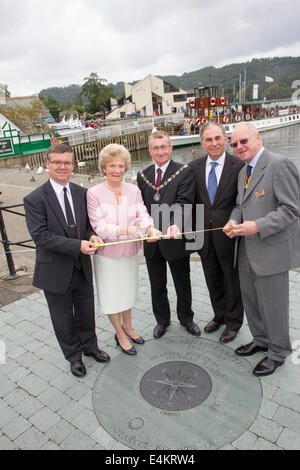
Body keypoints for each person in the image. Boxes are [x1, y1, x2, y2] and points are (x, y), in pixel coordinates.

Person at [23, 143, 110, 378]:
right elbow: (41, 237)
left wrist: (92, 236)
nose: (63, 167)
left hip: (81, 267)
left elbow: (88, 226)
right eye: (58, 162)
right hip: (54, 270)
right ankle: (73, 357)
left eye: (68, 163)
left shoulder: (82, 193)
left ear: (73, 165)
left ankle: (91, 348)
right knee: (62, 318)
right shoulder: (34, 199)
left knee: (86, 312)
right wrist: (78, 246)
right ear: (48, 164)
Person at [224, 123, 300, 376]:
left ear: (258, 137)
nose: (239, 147)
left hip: (270, 248)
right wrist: (233, 221)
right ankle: (260, 340)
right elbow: (239, 204)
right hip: (245, 248)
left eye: (243, 141)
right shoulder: (242, 172)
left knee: (273, 304)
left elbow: (291, 210)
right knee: (252, 301)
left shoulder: (280, 165)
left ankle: (278, 351)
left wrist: (257, 225)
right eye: (234, 144)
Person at [87, 144, 161, 355]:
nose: (117, 170)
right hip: (107, 256)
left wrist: (150, 227)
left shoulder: (134, 189)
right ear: (103, 167)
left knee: (127, 292)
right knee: (112, 295)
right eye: (112, 166)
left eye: (121, 166)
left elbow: (143, 214)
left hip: (129, 251)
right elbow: (100, 228)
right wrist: (129, 229)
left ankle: (128, 326)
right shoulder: (94, 193)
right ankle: (119, 333)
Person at [137, 131, 201, 339]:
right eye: (155, 148)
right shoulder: (143, 175)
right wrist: (146, 229)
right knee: (157, 284)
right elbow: (141, 208)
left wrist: (176, 224)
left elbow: (184, 202)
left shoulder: (184, 171)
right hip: (152, 240)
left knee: (182, 282)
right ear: (150, 150)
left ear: (171, 148)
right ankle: (162, 320)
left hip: (176, 237)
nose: (160, 151)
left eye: (164, 147)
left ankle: (186, 318)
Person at [189, 122, 244, 342]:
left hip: (229, 234)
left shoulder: (238, 166)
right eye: (209, 140)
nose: (214, 143)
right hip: (204, 236)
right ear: (202, 143)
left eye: (218, 138)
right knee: (212, 278)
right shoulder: (193, 167)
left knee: (232, 280)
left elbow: (242, 201)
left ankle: (233, 321)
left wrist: (234, 221)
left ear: (225, 139)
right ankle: (219, 315)